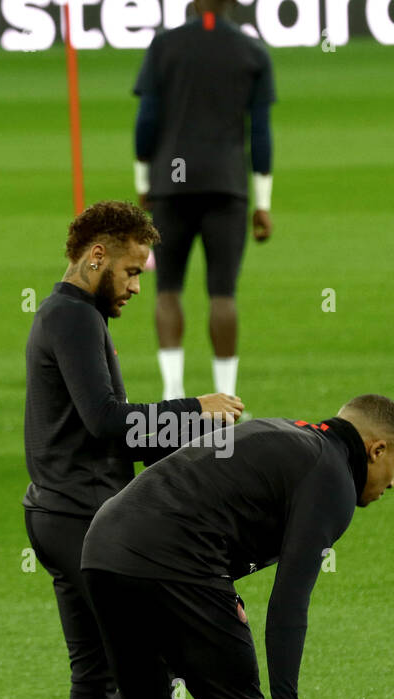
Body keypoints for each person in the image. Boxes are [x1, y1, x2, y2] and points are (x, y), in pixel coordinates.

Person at [81, 395, 394, 699]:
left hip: (104, 547)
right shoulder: (334, 477)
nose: (392, 483)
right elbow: (288, 606)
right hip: (175, 557)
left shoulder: (289, 438)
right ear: (376, 449)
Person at [22, 200, 242, 699]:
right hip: (86, 521)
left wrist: (189, 443)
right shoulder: (73, 318)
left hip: (56, 515)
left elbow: (115, 437)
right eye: (131, 271)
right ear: (96, 257)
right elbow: (107, 423)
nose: (137, 287)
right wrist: (194, 413)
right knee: (148, 666)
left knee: (94, 678)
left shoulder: (69, 316)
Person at [132, 0, 276, 403]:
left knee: (167, 290)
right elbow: (260, 133)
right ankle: (226, 399)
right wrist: (262, 203)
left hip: (171, 184)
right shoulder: (252, 51)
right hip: (226, 184)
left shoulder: (164, 46)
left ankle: (172, 392)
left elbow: (145, 122)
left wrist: (144, 180)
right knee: (223, 294)